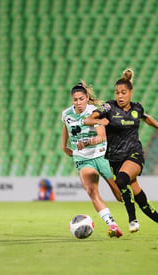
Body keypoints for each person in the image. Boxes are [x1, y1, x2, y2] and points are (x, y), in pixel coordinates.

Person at [83, 69, 158, 239]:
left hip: (134, 154)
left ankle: (132, 220)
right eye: (117, 93)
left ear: (130, 93)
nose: (120, 96)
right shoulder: (109, 107)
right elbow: (88, 119)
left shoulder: (137, 108)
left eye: (123, 92)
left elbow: (147, 117)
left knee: (121, 180)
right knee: (141, 199)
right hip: (115, 158)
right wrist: (99, 121)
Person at [61, 81, 124, 238]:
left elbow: (102, 137)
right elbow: (66, 127)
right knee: (91, 191)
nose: (78, 102)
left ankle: (135, 215)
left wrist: (87, 142)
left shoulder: (95, 112)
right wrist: (64, 145)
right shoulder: (67, 114)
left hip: (102, 156)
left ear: (87, 98)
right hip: (83, 159)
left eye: (81, 99)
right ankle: (113, 225)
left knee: (120, 195)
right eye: (75, 100)